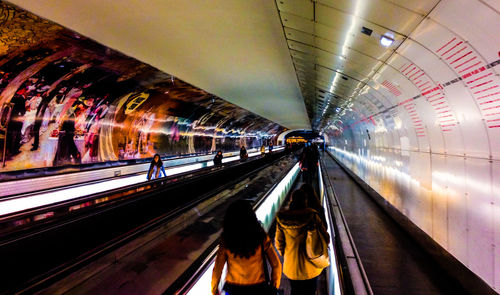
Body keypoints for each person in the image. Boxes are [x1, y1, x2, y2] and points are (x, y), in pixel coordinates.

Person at [212, 200, 282, 295]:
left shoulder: (226, 239)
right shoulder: (261, 237)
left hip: (234, 288)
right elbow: (276, 265)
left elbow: (217, 269)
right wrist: (274, 285)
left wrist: (215, 290)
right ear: (251, 216)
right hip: (258, 287)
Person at [275, 190, 330, 295]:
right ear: (305, 201)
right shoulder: (313, 216)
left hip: (291, 267)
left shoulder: (282, 219)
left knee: (295, 291)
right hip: (311, 267)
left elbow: (278, 243)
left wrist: (286, 254)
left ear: (292, 200)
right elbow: (326, 237)